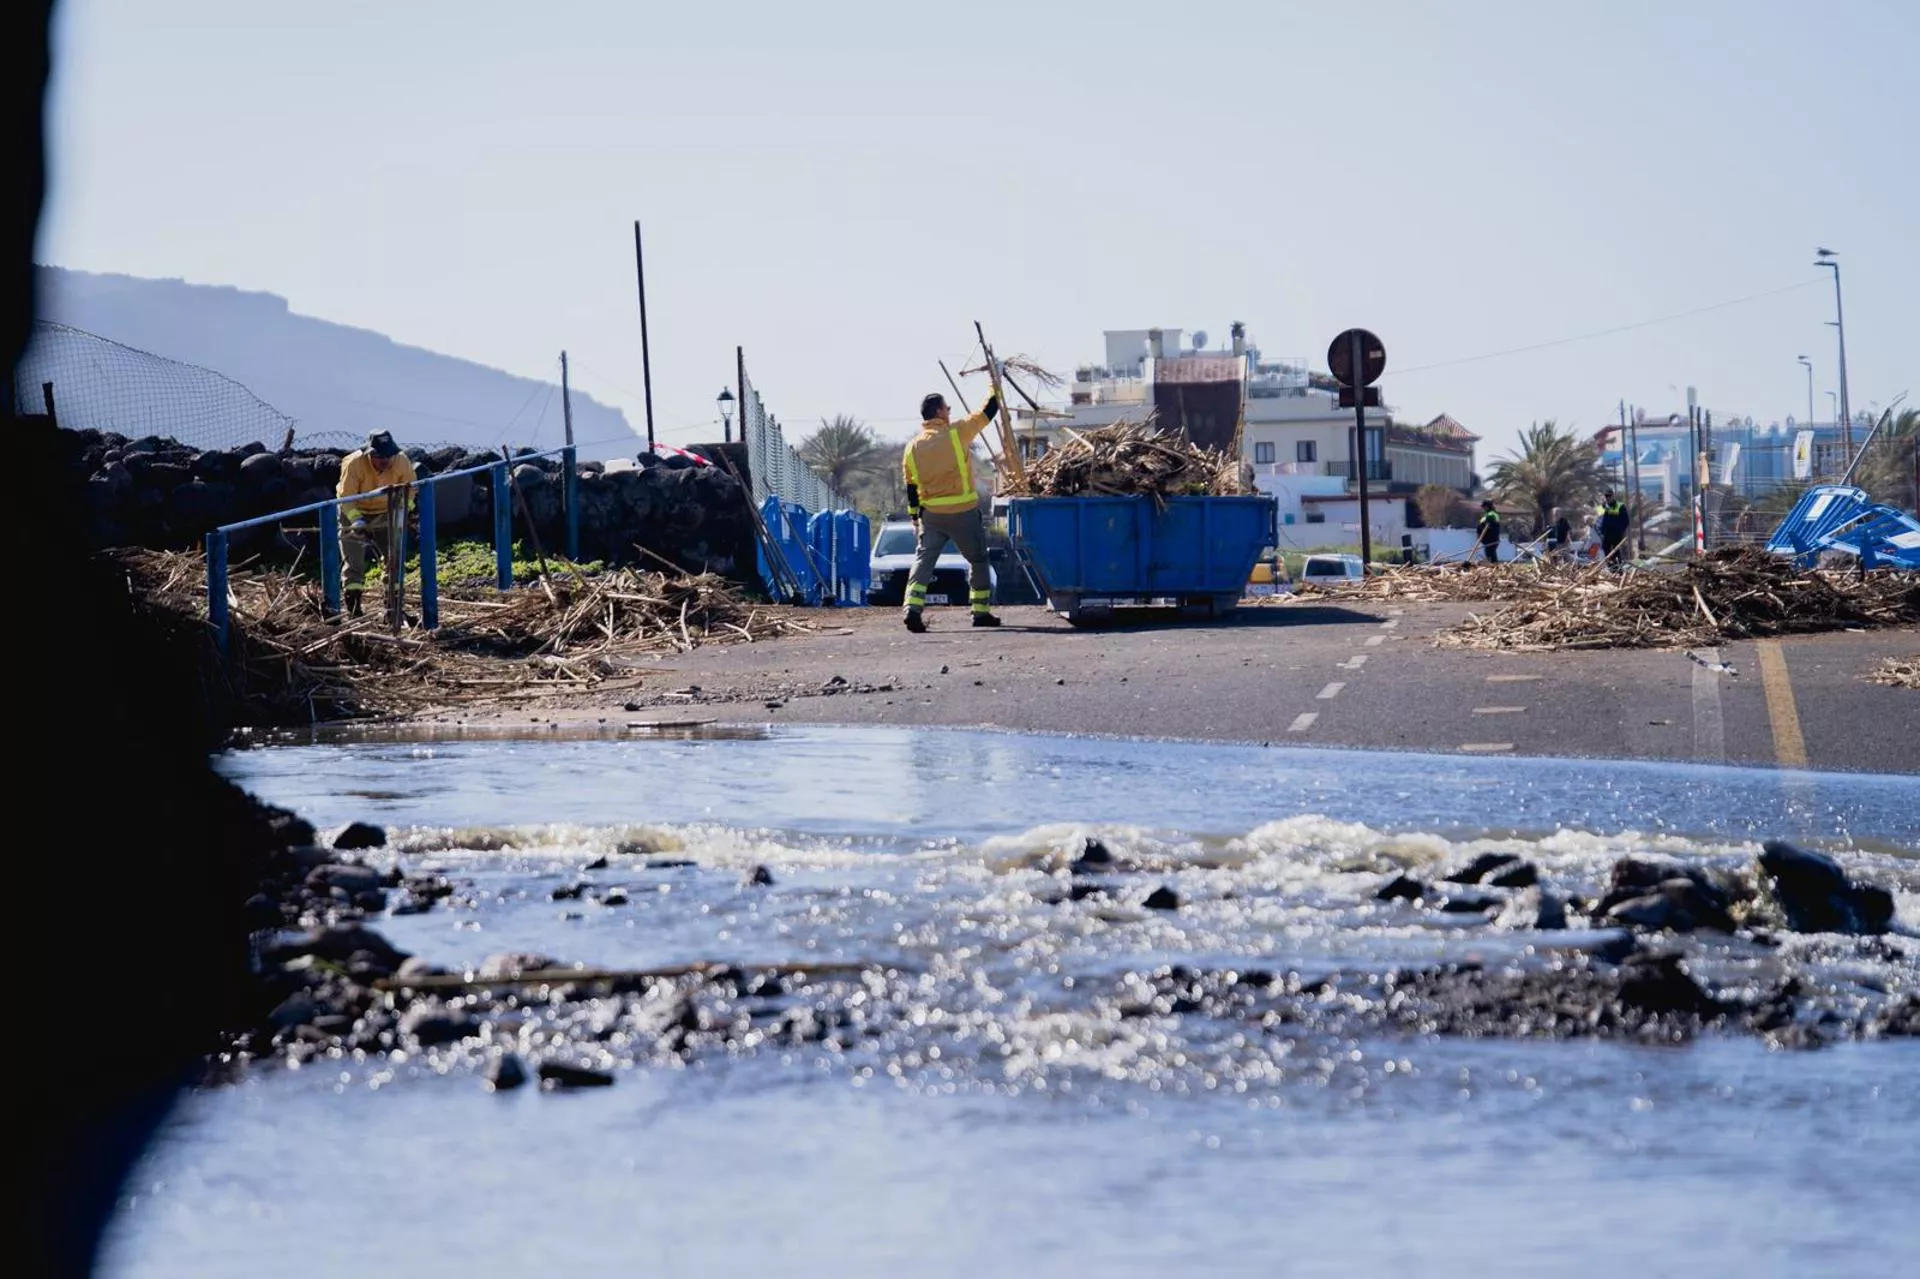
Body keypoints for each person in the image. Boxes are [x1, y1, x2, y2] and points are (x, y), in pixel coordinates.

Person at [901, 390, 1001, 632]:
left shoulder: (912, 447)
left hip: (932, 515)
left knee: (924, 560)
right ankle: (980, 611)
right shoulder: (956, 433)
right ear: (938, 412)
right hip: (963, 512)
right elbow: (988, 412)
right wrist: (994, 386)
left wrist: (916, 519)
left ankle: (911, 609)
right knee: (977, 559)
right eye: (947, 408)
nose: (949, 411)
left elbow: (911, 487)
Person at [335, 430, 417, 615]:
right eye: (381, 457)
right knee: (353, 561)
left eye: (389, 455)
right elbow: (346, 497)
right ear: (370, 454)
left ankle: (394, 608)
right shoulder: (354, 463)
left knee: (394, 559)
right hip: (354, 511)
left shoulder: (402, 461)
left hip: (386, 512)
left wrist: (403, 511)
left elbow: (410, 490)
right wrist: (356, 520)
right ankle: (354, 609)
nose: (386, 460)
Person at [1597, 489, 1630, 567]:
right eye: (1606, 496)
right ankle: (1611, 568)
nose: (1607, 498)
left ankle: (1618, 569)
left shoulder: (1620, 506)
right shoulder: (1602, 506)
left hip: (1616, 534)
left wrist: (1619, 530)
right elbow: (1598, 519)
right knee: (1606, 551)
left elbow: (1626, 521)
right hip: (1606, 534)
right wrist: (1601, 529)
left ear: (1613, 496)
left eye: (1609, 496)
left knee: (1616, 552)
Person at [1473, 499, 1502, 563]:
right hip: (1488, 540)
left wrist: (1482, 527)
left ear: (1487, 506)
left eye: (1484, 506)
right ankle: (1493, 565)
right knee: (1489, 553)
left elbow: (1490, 525)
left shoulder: (1492, 514)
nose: (1483, 508)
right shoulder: (1487, 514)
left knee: (1490, 553)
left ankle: (1494, 566)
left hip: (1491, 539)